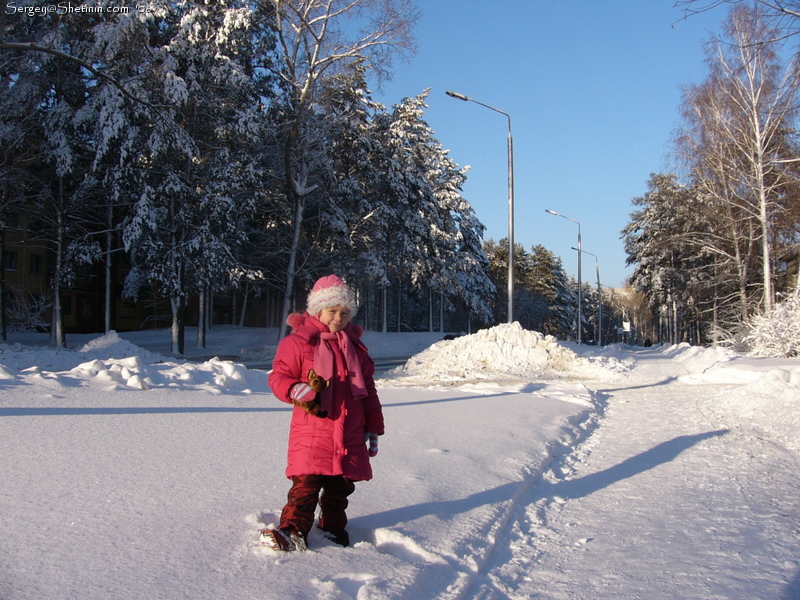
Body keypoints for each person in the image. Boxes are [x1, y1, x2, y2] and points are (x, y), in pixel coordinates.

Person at [261, 275, 384, 551]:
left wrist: (373, 427)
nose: (338, 318)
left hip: (349, 432)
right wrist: (294, 389)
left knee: (340, 489)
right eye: (332, 311)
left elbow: (369, 391)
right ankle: (291, 530)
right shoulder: (299, 343)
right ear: (317, 311)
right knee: (305, 485)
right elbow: (278, 375)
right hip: (313, 431)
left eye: (344, 312)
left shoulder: (355, 348)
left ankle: (332, 529)